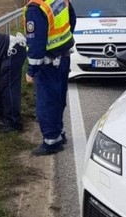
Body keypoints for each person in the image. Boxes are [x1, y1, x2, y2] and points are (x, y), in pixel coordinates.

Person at [23, 0, 77, 155]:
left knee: (46, 102)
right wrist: (63, 42)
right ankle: (59, 133)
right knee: (58, 98)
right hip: (63, 57)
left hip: (48, 63)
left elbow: (36, 43)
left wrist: (31, 70)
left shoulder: (35, 8)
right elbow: (72, 19)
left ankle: (51, 141)